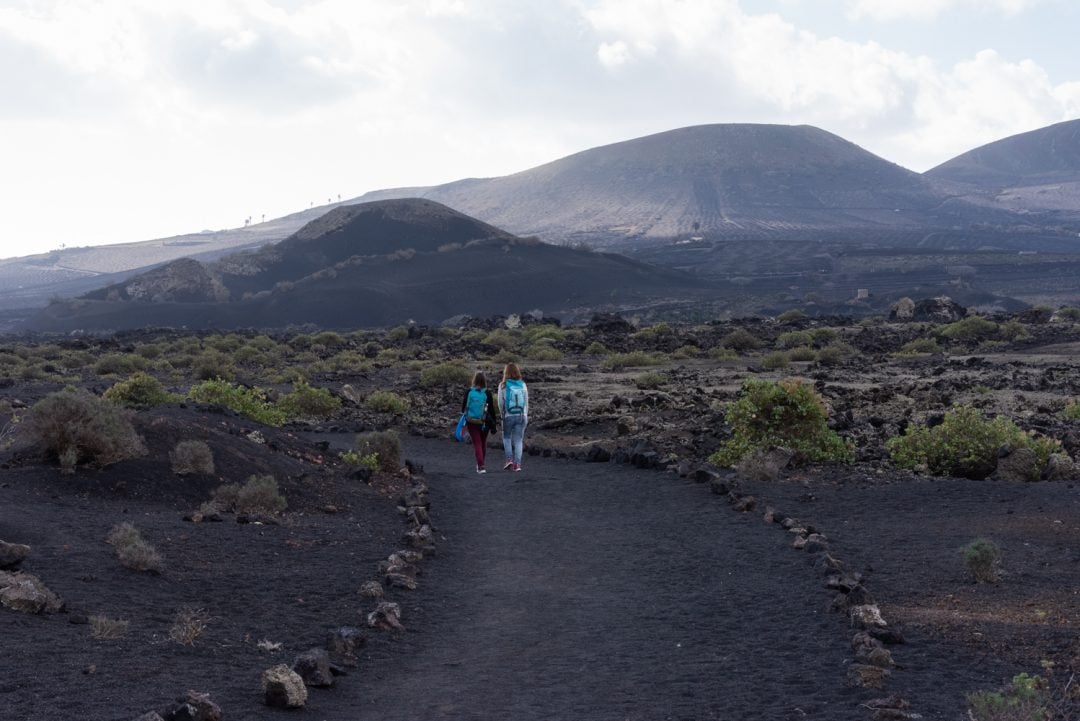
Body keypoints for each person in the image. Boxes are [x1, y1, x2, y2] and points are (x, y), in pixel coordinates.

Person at [461, 370, 498, 473]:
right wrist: (494, 424)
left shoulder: (469, 392)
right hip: (484, 422)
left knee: (477, 443)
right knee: (482, 443)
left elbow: (463, 407)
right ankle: (481, 464)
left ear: (474, 379)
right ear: (484, 380)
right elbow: (491, 410)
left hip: (471, 421)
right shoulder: (487, 393)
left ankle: (481, 466)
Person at [497, 362, 529, 471]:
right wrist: (525, 416)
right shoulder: (523, 385)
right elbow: (526, 402)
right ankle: (517, 465)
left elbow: (500, 403)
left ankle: (509, 460)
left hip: (508, 416)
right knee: (518, 440)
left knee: (506, 438)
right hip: (521, 415)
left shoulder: (502, 385)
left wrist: (502, 415)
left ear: (506, 373)